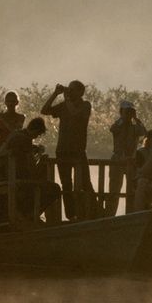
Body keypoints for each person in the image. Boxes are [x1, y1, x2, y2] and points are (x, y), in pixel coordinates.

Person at [44, 81, 93, 221]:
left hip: (78, 151)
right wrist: (55, 94)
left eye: (72, 90)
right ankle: (71, 215)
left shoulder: (85, 106)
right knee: (66, 184)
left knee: (85, 182)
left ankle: (91, 211)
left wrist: (66, 98)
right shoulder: (65, 105)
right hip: (63, 150)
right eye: (69, 89)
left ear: (80, 92)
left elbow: (75, 113)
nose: (69, 92)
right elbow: (45, 110)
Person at [106, 101, 143, 215]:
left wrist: (136, 119)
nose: (129, 114)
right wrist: (123, 118)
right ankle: (110, 214)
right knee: (114, 189)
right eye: (127, 112)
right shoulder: (118, 125)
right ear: (121, 112)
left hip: (131, 160)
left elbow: (143, 132)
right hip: (118, 159)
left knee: (132, 189)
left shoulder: (135, 127)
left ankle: (131, 214)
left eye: (131, 112)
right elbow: (113, 129)